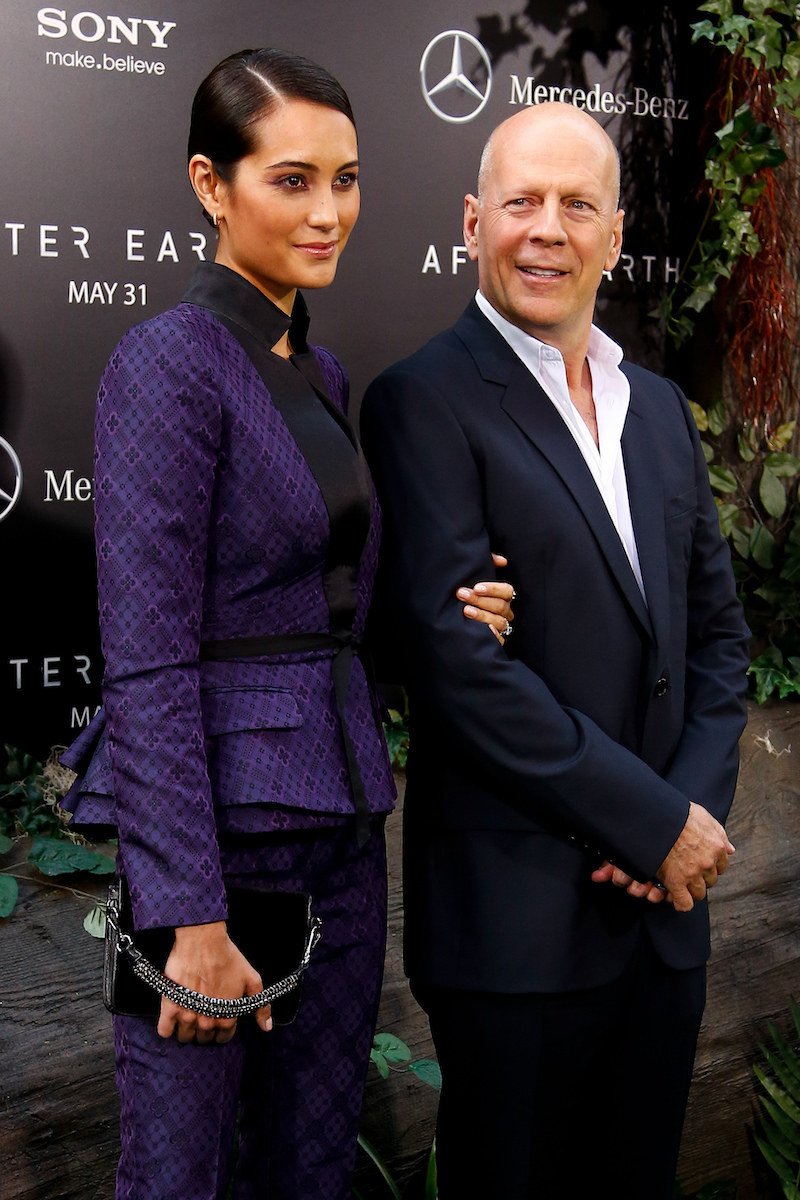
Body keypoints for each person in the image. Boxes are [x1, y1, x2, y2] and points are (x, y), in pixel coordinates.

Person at [60, 48, 513, 1200]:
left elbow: (325, 609)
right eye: (292, 180)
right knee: (180, 1177)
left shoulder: (320, 371)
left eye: (347, 180)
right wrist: (186, 912)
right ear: (212, 185)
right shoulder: (168, 361)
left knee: (310, 1168)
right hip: (220, 842)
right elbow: (148, 653)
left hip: (342, 825)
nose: (329, 213)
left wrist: (454, 613)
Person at [360, 102, 750, 1199]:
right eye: (521, 202)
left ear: (614, 235)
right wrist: (649, 820)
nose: (546, 229)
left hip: (662, 919)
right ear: (473, 223)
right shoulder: (422, 401)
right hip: (514, 934)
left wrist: (679, 822)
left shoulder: (662, 411)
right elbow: (458, 672)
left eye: (576, 204)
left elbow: (719, 643)